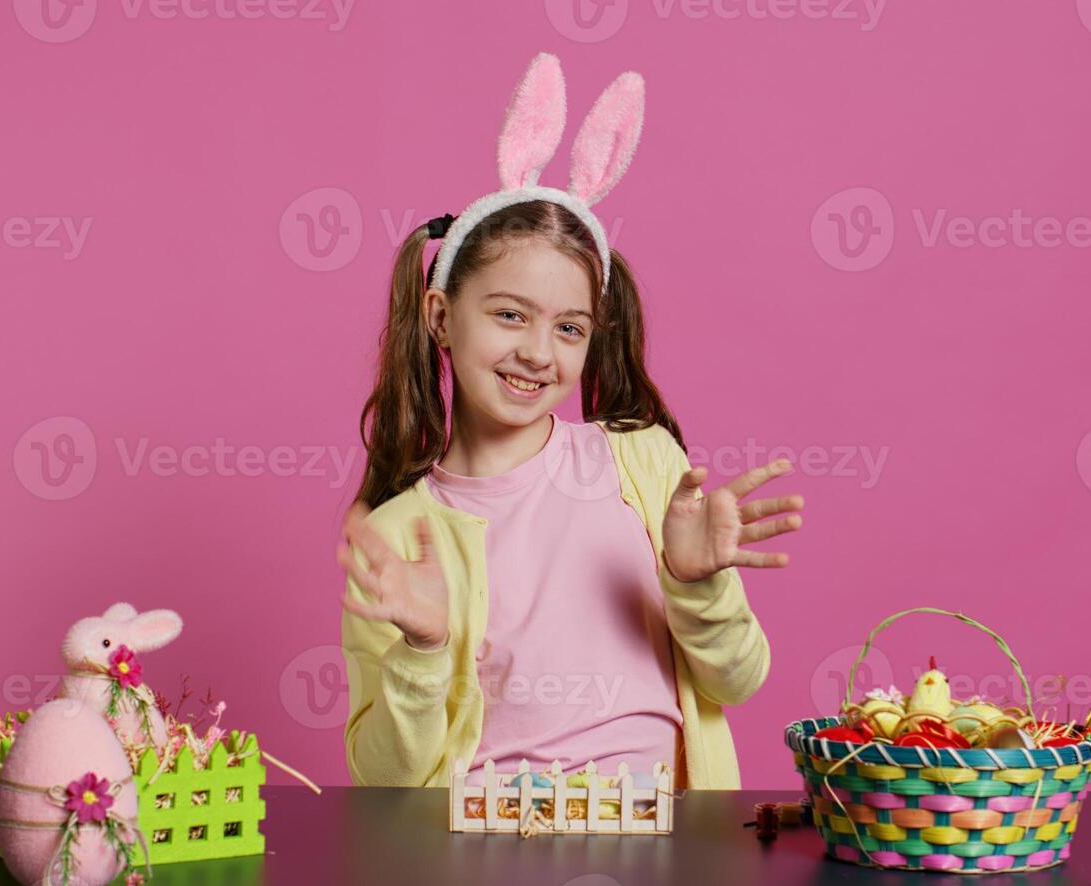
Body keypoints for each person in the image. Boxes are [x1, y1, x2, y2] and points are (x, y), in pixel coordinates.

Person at [335, 54, 803, 790]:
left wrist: (696, 584)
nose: (536, 353)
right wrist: (423, 652)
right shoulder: (398, 537)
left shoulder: (644, 465)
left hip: (660, 854)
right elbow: (384, 782)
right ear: (440, 316)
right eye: (510, 314)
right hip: (484, 870)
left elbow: (736, 682)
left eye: (569, 329)